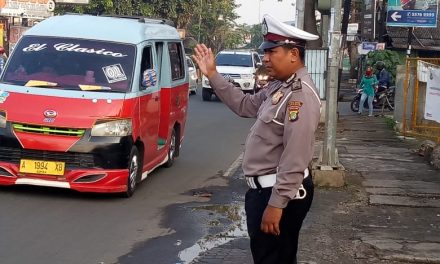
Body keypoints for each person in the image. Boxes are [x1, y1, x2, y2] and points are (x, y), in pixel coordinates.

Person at [193, 14, 321, 264]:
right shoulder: (279, 87)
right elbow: (244, 105)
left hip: (278, 194)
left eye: (272, 52)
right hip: (264, 192)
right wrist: (213, 75)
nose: (265, 58)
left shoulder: (299, 96)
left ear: (293, 54)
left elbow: (296, 156)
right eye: (265, 52)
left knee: (272, 259)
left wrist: (277, 204)